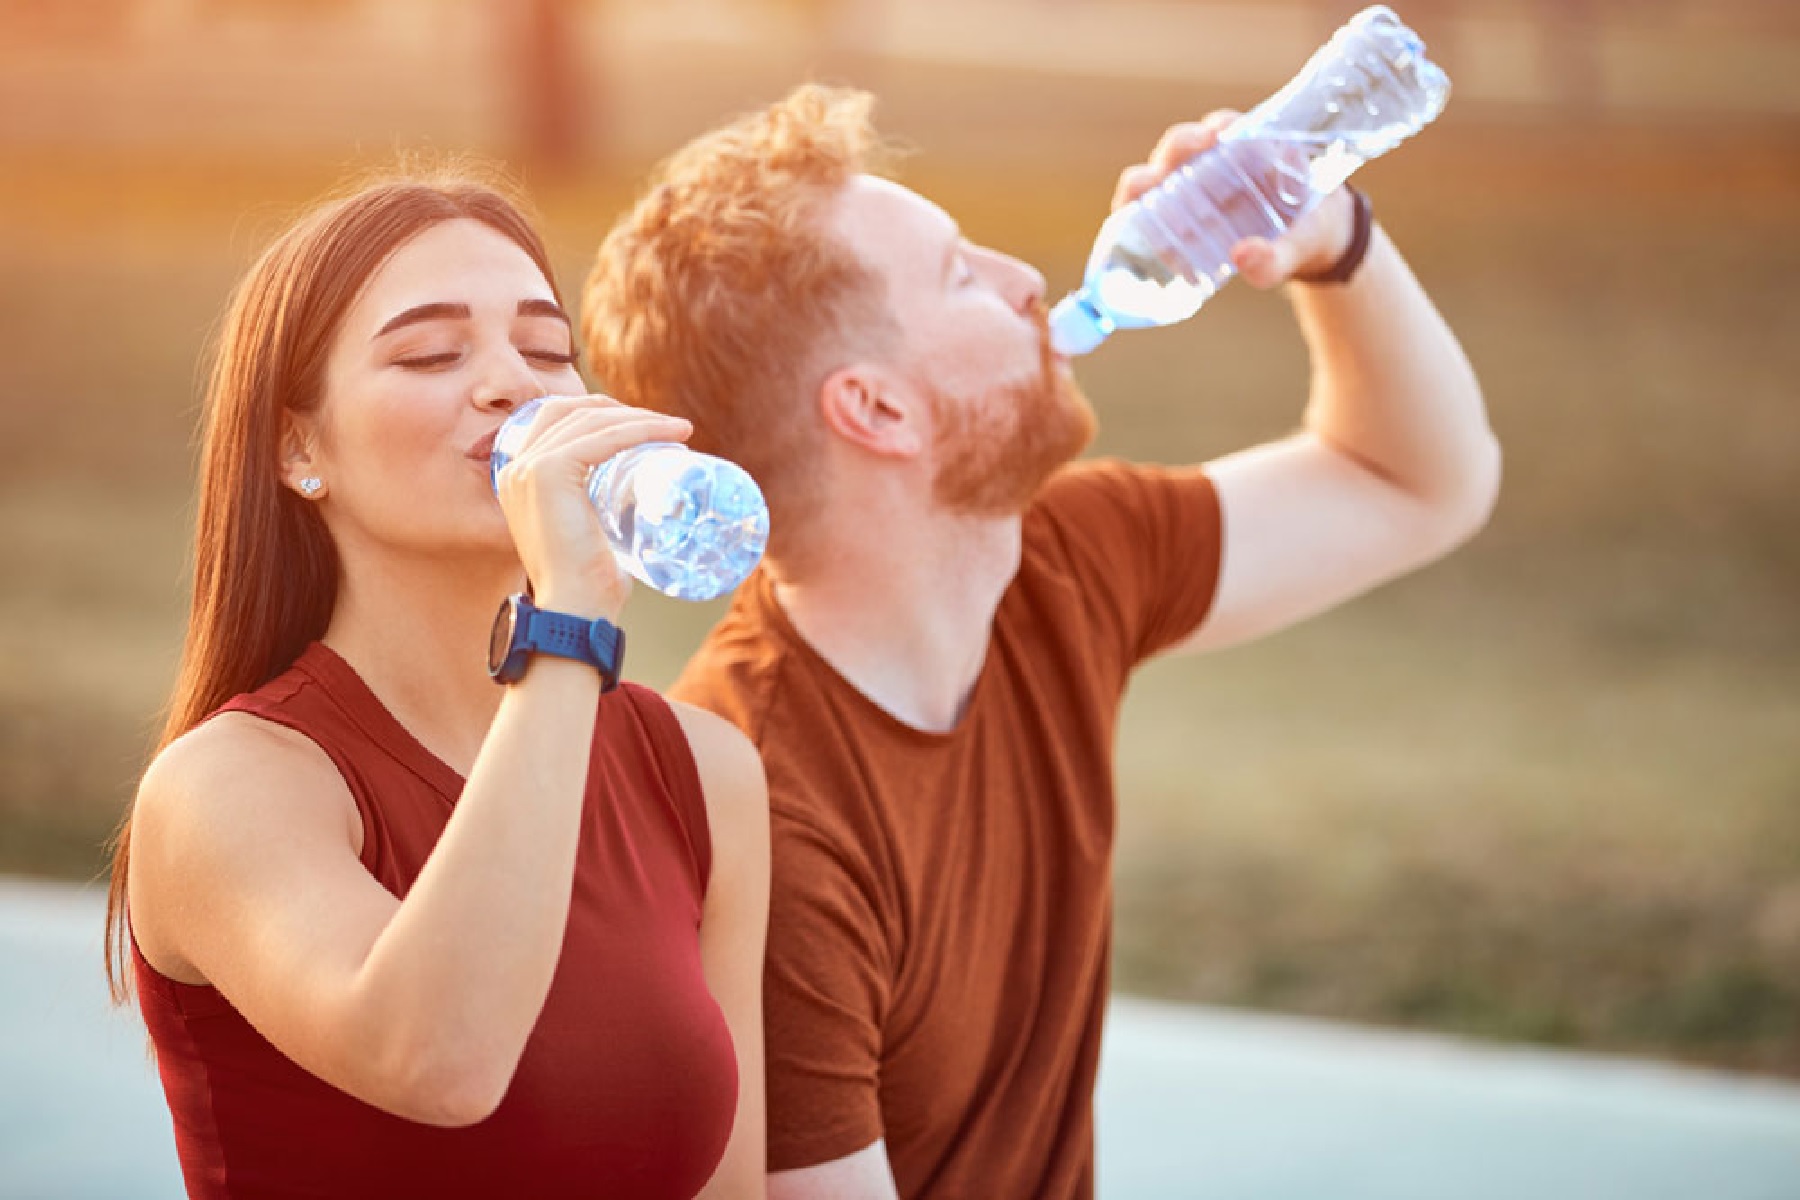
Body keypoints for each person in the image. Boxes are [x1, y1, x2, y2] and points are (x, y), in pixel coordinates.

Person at [580, 85, 1500, 1199]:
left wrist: (1331, 242)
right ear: (876, 411)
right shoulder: (766, 821)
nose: (1026, 280)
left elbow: (1417, 481)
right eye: (961, 274)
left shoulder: (1060, 562)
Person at [103, 171, 769, 1199]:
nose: (515, 384)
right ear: (298, 447)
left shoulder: (704, 773)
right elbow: (439, 1060)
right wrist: (570, 618)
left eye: (548, 351)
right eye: (430, 353)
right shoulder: (226, 788)